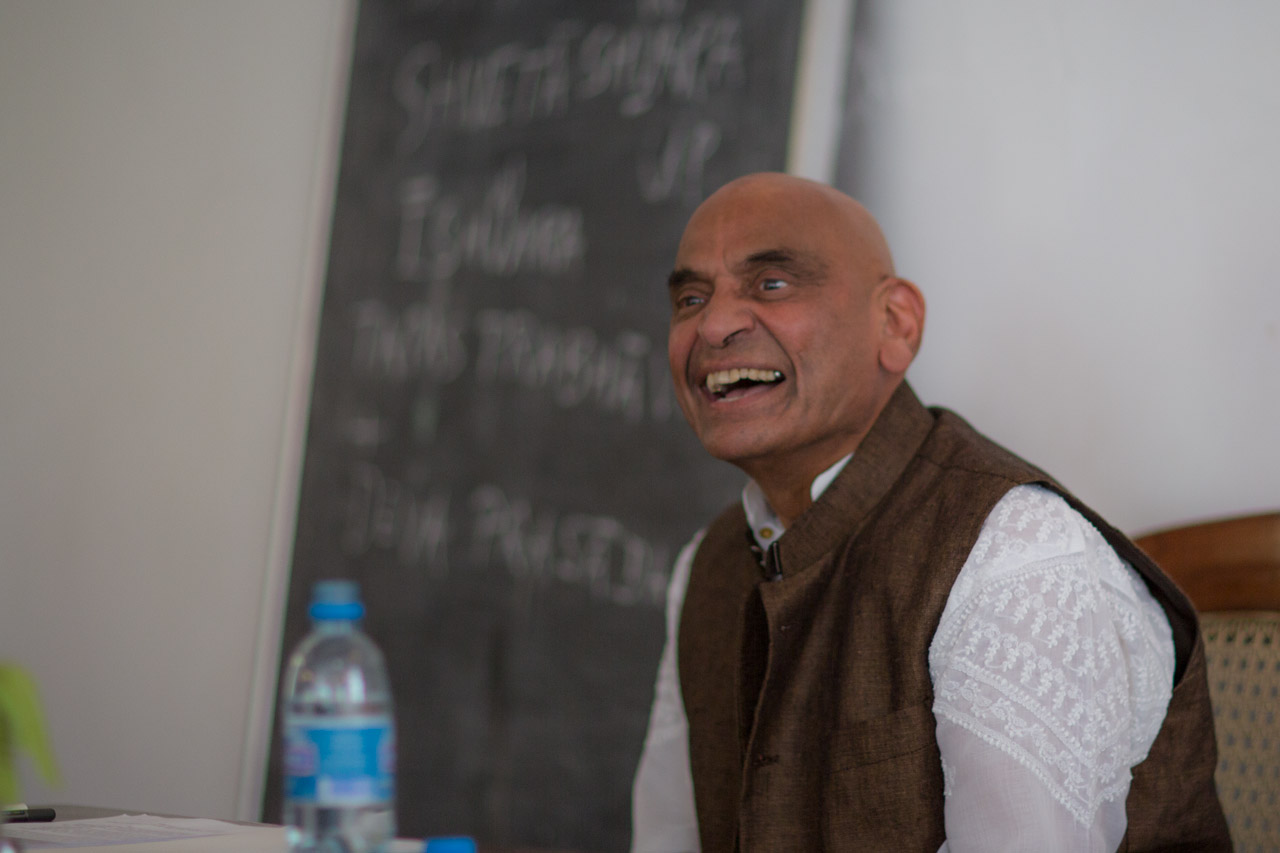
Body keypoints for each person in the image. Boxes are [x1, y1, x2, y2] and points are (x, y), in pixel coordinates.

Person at [630, 173, 1229, 852]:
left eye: (771, 284)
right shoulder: (709, 563)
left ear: (895, 324)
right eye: (691, 298)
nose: (714, 325)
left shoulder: (1015, 554)